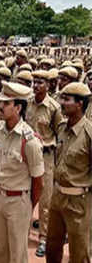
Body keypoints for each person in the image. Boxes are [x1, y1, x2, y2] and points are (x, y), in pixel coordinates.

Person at [0, 81, 44, 263]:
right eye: (1, 102)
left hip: (19, 201)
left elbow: (38, 182)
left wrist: (27, 206)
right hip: (1, 197)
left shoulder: (29, 141)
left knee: (17, 254)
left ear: (18, 108)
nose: (0, 107)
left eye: (6, 103)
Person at [46, 82, 92, 263]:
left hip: (79, 203)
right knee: (52, 247)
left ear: (80, 103)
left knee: (79, 253)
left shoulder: (89, 134)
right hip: (58, 197)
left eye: (67, 99)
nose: (62, 103)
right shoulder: (62, 128)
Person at [25, 70, 65, 257]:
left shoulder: (54, 107)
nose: (36, 85)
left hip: (46, 156)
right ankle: (23, 230)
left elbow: (61, 135)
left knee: (45, 199)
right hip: (27, 155)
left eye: (40, 82)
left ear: (48, 85)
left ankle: (43, 238)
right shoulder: (28, 103)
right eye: (34, 82)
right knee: (26, 194)